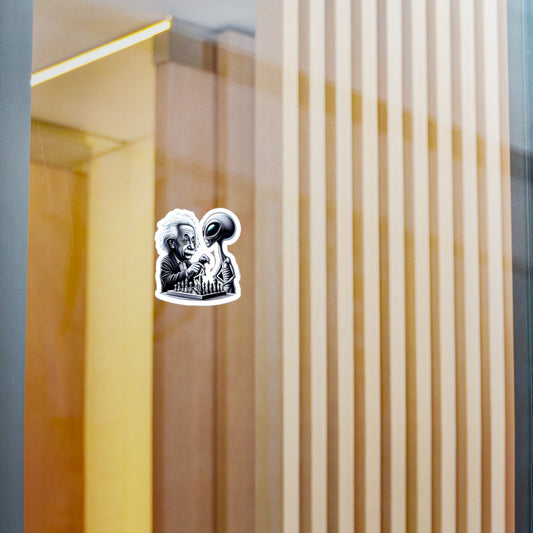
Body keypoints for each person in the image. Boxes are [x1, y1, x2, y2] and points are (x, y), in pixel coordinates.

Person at [155, 209, 209, 293]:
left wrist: (200, 263)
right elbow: (167, 281)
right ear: (172, 243)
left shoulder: (186, 262)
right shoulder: (167, 261)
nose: (192, 246)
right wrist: (186, 273)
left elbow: (192, 274)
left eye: (193, 240)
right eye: (185, 240)